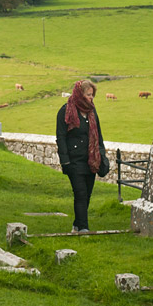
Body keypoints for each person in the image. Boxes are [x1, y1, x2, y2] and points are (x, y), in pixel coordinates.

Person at [56, 79, 109, 233]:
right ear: (80, 94)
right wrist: (65, 161)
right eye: (88, 95)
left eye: (92, 95)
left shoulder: (92, 111)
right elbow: (61, 137)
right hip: (74, 161)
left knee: (87, 194)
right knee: (80, 193)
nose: (91, 98)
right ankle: (84, 229)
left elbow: (98, 135)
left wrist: (101, 155)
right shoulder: (65, 111)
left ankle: (77, 224)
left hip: (91, 160)